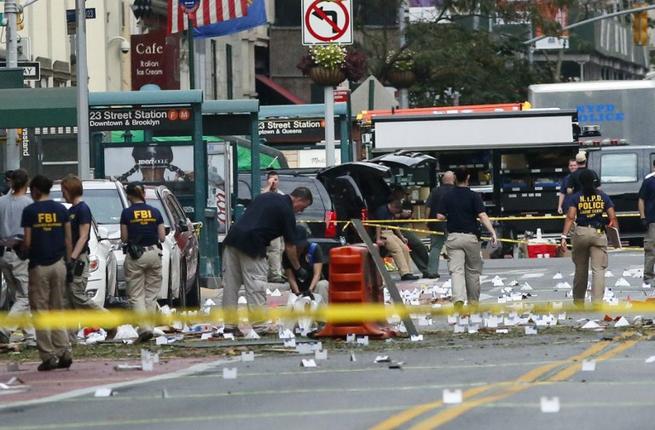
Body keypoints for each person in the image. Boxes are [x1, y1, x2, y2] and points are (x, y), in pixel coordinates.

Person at [221, 187, 313, 336]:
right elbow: (290, 246)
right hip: (253, 244)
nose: (300, 211)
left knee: (230, 286)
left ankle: (229, 326)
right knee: (255, 286)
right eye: (303, 207)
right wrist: (298, 268)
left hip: (232, 239)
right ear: (299, 199)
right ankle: (260, 326)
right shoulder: (287, 211)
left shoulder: (266, 196)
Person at [21, 175, 72, 371]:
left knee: (41, 312)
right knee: (57, 308)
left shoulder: (30, 211)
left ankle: (48, 356)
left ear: (35, 190)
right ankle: (64, 351)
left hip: (39, 266)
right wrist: (68, 263)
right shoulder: (61, 210)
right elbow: (68, 239)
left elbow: (27, 241)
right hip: (59, 264)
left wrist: (22, 250)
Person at [437, 168, 497, 308]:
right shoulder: (474, 196)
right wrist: (492, 232)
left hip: (453, 238)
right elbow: (482, 216)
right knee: (472, 271)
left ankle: (458, 298)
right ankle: (473, 303)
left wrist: (449, 215)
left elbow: (439, 216)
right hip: (471, 238)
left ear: (455, 179)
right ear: (468, 178)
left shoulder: (447, 196)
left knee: (456, 271)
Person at [560, 169, 617, 305]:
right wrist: (615, 237)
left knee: (580, 268)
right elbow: (612, 217)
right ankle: (597, 302)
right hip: (598, 233)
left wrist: (563, 236)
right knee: (598, 269)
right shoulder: (602, 196)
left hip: (581, 233)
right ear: (594, 182)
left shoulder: (576, 197)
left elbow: (570, 217)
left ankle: (579, 301)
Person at [120, 183, 166, 344]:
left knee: (136, 294)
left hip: (136, 256)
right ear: (143, 194)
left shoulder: (126, 213)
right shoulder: (155, 212)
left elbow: (124, 238)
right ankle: (150, 327)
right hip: (154, 253)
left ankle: (144, 328)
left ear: (129, 196)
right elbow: (162, 237)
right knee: (151, 294)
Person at [0, 170, 35, 345]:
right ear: (26, 183)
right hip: (21, 253)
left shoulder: (0, 202)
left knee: (17, 296)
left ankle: (30, 336)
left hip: (3, 253)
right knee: (26, 296)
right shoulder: (28, 204)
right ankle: (5, 328)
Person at [61, 175, 105, 312]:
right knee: (67, 299)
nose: (63, 195)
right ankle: (70, 333)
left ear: (70, 190)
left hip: (78, 259)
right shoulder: (70, 211)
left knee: (76, 293)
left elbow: (83, 236)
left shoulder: (83, 209)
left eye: (64, 191)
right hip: (69, 258)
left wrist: (72, 258)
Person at [373, 199, 419, 281]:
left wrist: (401, 237)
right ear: (393, 207)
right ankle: (404, 273)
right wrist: (378, 239)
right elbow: (378, 224)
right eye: (396, 211)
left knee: (404, 248)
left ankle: (409, 272)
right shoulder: (382, 211)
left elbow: (395, 225)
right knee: (396, 249)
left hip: (391, 232)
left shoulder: (392, 213)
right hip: (383, 232)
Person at [391, 187, 430, 278]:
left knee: (417, 248)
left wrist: (408, 214)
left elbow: (411, 212)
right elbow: (394, 215)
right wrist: (401, 214)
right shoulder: (393, 202)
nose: (403, 196)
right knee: (414, 246)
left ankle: (426, 268)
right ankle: (424, 269)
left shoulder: (406, 203)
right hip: (398, 226)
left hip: (405, 225)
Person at [283, 225, 329, 303]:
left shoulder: (314, 249)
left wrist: (310, 290)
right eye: (296, 246)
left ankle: (322, 313)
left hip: (314, 285)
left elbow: (317, 274)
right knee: (285, 287)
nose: (298, 248)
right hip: (298, 287)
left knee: (323, 285)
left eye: (300, 246)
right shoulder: (286, 254)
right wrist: (297, 292)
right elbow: (291, 277)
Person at [425, 171, 455, 279]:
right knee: (454, 247)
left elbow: (428, 207)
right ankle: (455, 270)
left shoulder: (435, 191)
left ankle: (432, 271)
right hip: (452, 223)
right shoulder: (455, 191)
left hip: (436, 223)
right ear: (453, 179)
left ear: (443, 180)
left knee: (435, 248)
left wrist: (427, 220)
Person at [262, 171, 285, 283]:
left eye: (276, 180)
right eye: (272, 179)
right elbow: (261, 199)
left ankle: (277, 272)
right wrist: (268, 185)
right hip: (269, 227)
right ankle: (275, 275)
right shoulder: (265, 192)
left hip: (279, 226)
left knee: (280, 250)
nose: (274, 182)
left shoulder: (280, 194)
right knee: (273, 250)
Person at [638, 160, 655, 286]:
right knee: (651, 249)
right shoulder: (649, 181)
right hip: (652, 221)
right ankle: (648, 276)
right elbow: (641, 200)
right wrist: (643, 217)